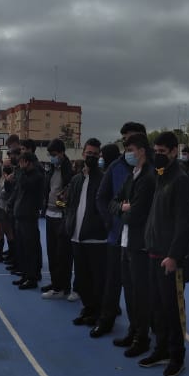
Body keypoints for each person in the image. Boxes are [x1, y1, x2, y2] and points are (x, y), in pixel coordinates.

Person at [142, 131, 189, 376]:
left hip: (169, 257)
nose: (158, 155)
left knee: (172, 309)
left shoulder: (180, 180)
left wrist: (174, 255)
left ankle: (176, 356)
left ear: (174, 151)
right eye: (156, 151)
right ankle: (160, 349)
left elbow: (184, 222)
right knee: (157, 308)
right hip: (154, 252)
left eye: (162, 152)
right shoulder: (160, 175)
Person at [91, 122, 146, 339]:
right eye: (124, 139)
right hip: (117, 237)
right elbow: (102, 197)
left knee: (140, 289)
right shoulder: (116, 167)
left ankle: (141, 329)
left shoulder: (153, 168)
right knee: (112, 283)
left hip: (142, 240)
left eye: (131, 138)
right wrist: (110, 221)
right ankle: (107, 320)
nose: (127, 143)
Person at [112, 133, 155, 357]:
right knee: (129, 291)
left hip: (139, 243)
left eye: (130, 150)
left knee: (140, 293)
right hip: (126, 241)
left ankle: (142, 337)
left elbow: (137, 214)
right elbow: (114, 201)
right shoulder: (132, 175)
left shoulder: (148, 177)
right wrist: (123, 207)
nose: (127, 153)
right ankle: (133, 330)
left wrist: (125, 209)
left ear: (142, 151)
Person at [67, 140, 109, 326]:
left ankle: (98, 313)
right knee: (82, 279)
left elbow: (108, 206)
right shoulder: (77, 179)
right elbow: (70, 204)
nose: (91, 156)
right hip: (77, 237)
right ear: (83, 153)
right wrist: (68, 224)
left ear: (99, 156)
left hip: (96, 239)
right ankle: (88, 308)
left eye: (95, 154)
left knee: (97, 280)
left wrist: (102, 224)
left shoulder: (104, 179)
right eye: (88, 153)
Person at [42, 139, 74, 299]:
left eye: (54, 154)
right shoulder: (52, 169)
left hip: (61, 216)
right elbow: (49, 189)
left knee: (63, 255)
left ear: (61, 153)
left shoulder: (69, 170)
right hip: (49, 214)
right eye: (50, 155)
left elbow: (68, 197)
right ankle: (56, 283)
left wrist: (59, 204)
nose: (52, 157)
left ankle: (63, 287)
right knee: (52, 253)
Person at [11, 151, 46, 291]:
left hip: (29, 216)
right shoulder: (25, 175)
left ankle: (32, 278)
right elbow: (18, 190)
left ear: (27, 162)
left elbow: (25, 185)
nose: (19, 165)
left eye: (21, 162)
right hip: (21, 215)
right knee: (22, 248)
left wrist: (20, 172)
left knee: (30, 248)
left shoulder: (37, 176)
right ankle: (25, 275)